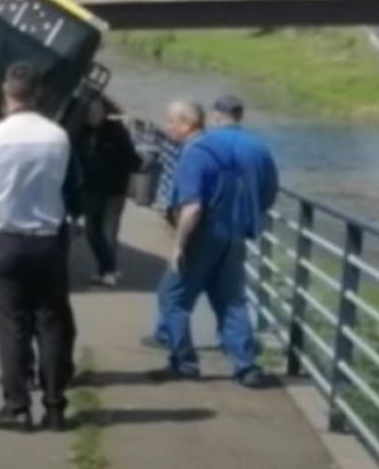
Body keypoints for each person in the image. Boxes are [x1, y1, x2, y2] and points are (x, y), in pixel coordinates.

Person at [0, 62, 76, 432]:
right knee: (51, 322)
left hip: (4, 239)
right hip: (48, 239)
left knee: (11, 325)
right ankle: (55, 407)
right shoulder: (58, 137)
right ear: (38, 95)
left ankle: (16, 406)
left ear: (6, 93)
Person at [155, 99, 277, 388]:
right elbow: (268, 194)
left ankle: (184, 363)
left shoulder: (199, 149)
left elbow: (193, 206)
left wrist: (178, 244)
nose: (167, 127)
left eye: (171, 121)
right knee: (231, 301)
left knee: (172, 297)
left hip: (202, 235)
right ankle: (246, 366)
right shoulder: (257, 147)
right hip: (235, 234)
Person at [72, 95, 140, 287]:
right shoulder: (79, 133)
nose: (95, 115)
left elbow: (132, 159)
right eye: (91, 112)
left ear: (104, 112)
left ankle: (107, 271)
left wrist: (132, 183)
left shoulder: (116, 131)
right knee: (92, 231)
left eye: (98, 111)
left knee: (109, 230)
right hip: (91, 189)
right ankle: (109, 268)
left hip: (114, 188)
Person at [208, 94, 279, 238]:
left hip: (211, 227)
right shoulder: (260, 147)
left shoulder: (205, 144)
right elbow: (271, 189)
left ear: (216, 116)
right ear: (241, 116)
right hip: (246, 226)